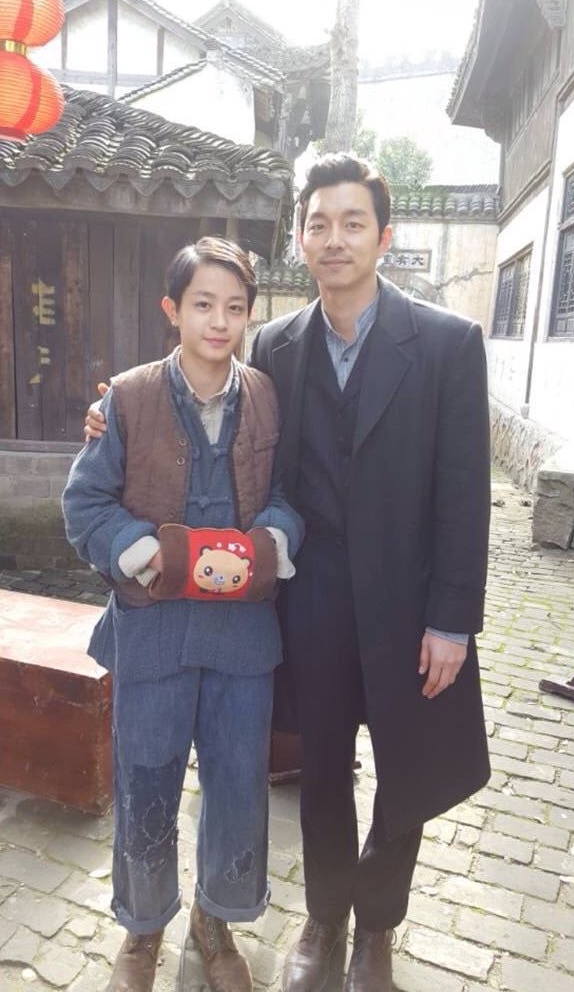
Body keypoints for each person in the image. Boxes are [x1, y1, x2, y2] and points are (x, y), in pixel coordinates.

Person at [86, 155, 491, 992]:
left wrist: (452, 618)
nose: (335, 239)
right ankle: (326, 915)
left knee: (406, 771)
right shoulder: (276, 345)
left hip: (411, 605)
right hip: (311, 600)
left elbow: (465, 491)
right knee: (321, 770)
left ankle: (378, 927)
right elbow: (204, 395)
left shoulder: (448, 344)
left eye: (353, 223)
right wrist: (111, 412)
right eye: (319, 224)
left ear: (384, 236)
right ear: (300, 240)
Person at [64, 236, 304, 992]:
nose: (218, 321)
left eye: (234, 307)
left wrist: (272, 541)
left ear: (250, 314)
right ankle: (142, 927)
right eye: (202, 304)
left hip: (242, 638)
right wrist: (140, 550)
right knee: (145, 779)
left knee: (237, 783)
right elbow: (86, 503)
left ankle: (216, 917)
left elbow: (288, 495)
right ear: (172, 309)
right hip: (154, 632)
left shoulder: (267, 396)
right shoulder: (127, 399)